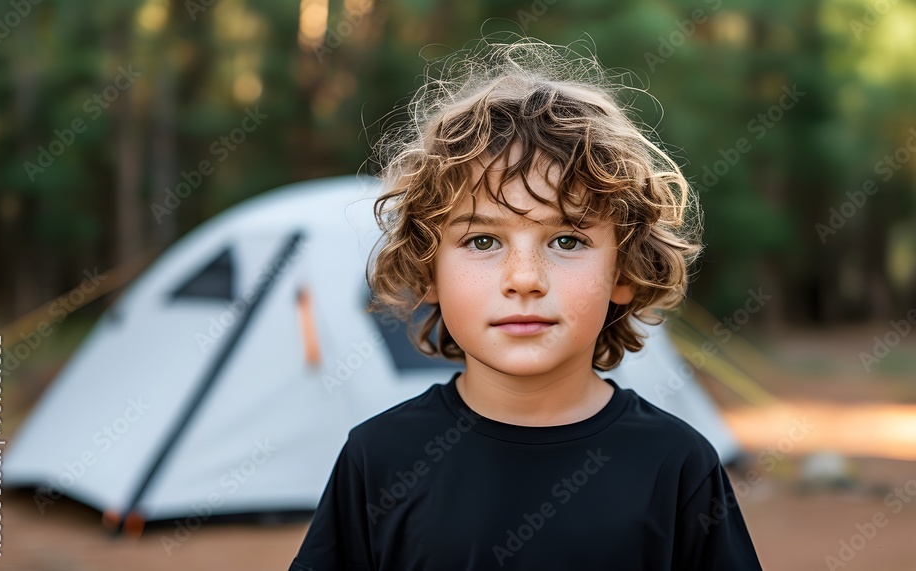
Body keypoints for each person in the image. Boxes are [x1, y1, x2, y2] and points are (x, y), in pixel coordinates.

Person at [289, 35, 763, 570]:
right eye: (483, 241)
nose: (524, 280)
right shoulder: (378, 459)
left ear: (624, 272)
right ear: (429, 271)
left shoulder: (677, 465)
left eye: (567, 241)